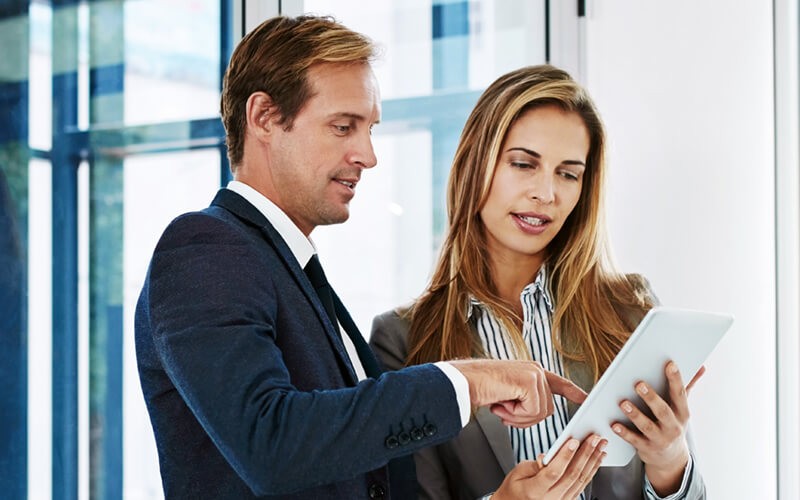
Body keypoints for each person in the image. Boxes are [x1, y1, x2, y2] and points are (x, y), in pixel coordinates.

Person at [134, 16, 600, 499]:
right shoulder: (203, 247)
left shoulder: (295, 274)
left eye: (370, 129)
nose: (368, 155)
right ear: (264, 117)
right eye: (343, 127)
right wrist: (468, 381)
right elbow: (270, 443)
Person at [370, 64, 707, 499]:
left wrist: (670, 462)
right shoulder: (402, 339)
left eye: (568, 173)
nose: (546, 193)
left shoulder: (628, 309)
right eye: (523, 164)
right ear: (476, 163)